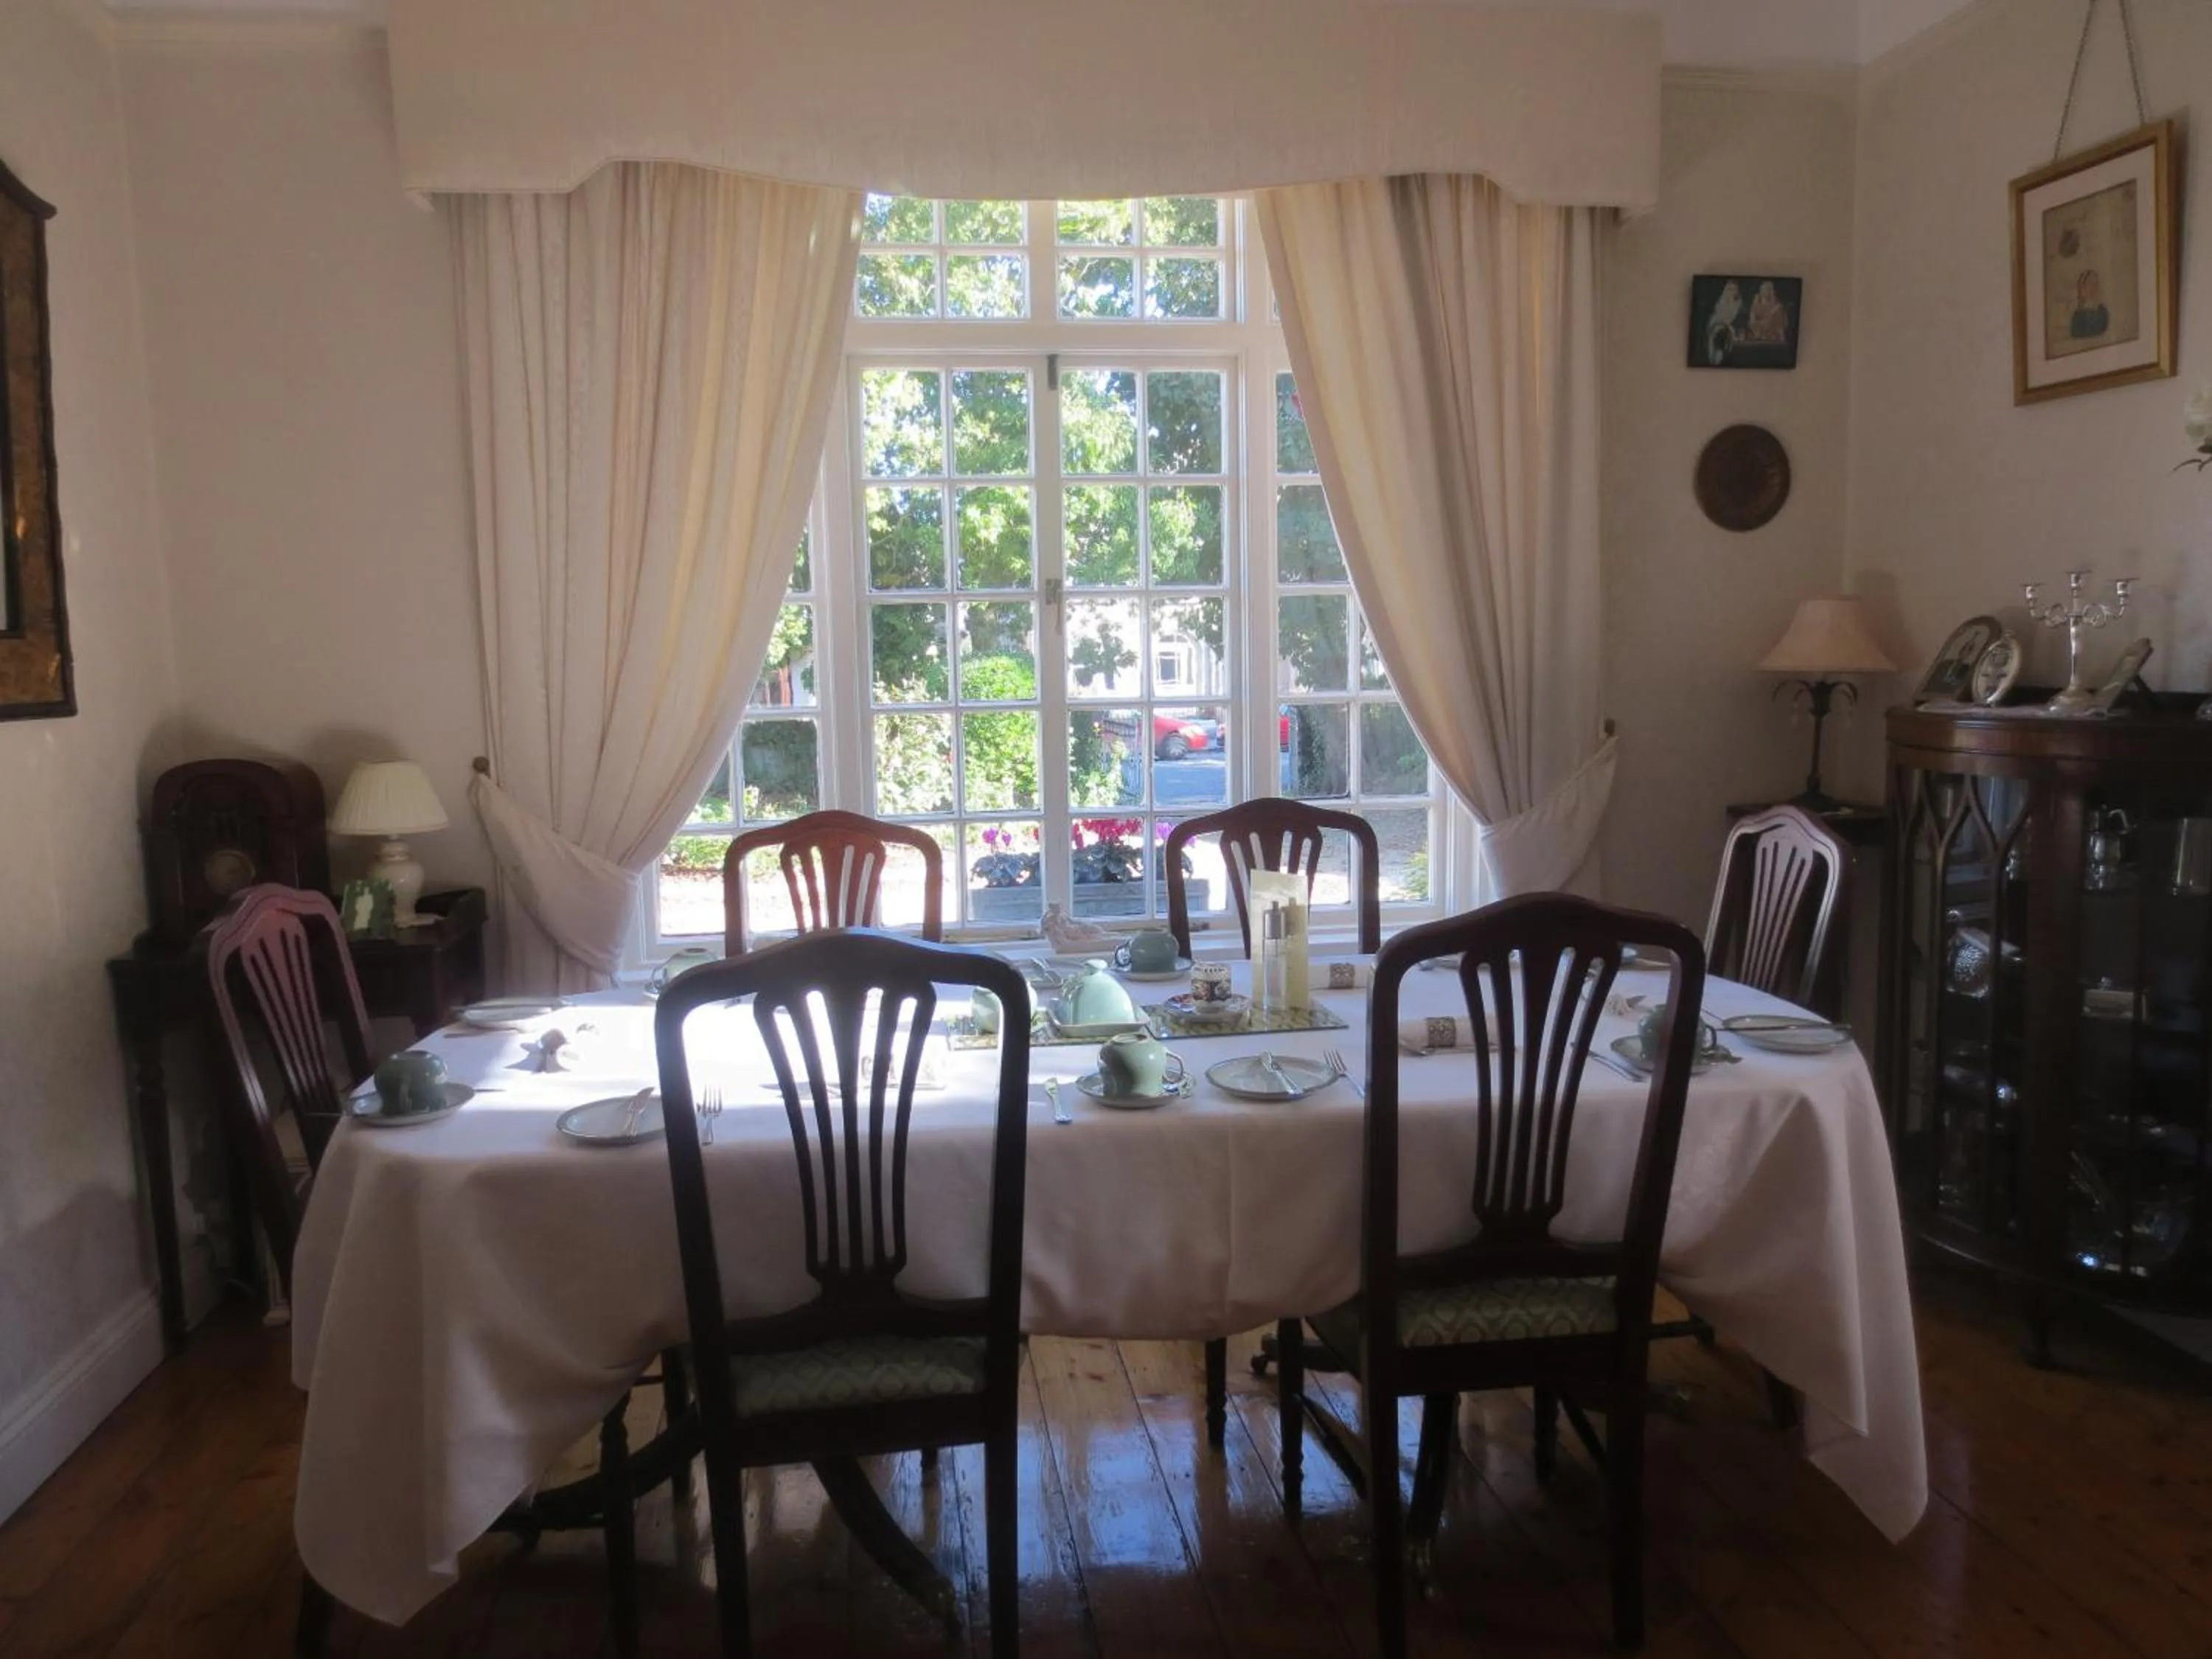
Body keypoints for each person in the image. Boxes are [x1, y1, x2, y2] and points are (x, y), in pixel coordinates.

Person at [2069, 268, 2110, 340]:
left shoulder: (2103, 311)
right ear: (2082, 287)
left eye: (2096, 283)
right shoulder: (2079, 316)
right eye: (2090, 283)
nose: (2094, 287)